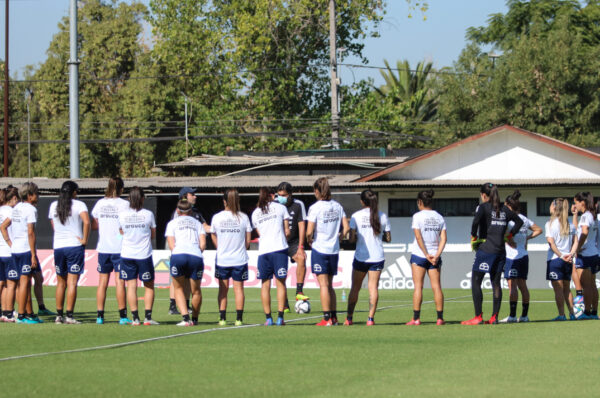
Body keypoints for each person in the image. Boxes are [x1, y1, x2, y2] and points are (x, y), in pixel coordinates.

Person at [462, 183, 523, 325]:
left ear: (484, 195)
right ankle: (494, 317)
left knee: (476, 281)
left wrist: (473, 237)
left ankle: (478, 317)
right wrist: (509, 235)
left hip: (486, 250)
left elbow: (475, 223)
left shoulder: (483, 207)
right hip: (501, 251)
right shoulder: (504, 209)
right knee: (496, 284)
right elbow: (519, 221)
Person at [306, 177, 349, 326]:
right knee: (330, 285)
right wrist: (340, 237)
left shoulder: (315, 207)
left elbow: (309, 231)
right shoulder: (337, 206)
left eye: (314, 190)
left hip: (320, 248)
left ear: (318, 191)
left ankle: (326, 319)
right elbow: (347, 227)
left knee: (323, 285)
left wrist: (309, 239)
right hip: (333, 250)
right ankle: (334, 317)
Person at [344, 189, 390, 326]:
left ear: (362, 201)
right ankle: (370, 319)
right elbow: (388, 238)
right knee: (373, 288)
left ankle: (349, 318)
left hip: (361, 257)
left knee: (355, 288)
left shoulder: (356, 216)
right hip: (377, 257)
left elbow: (351, 239)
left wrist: (354, 237)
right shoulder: (382, 216)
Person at [49, 181, 90, 324]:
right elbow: (87, 222)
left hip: (58, 246)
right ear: (74, 192)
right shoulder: (79, 205)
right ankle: (69, 316)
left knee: (61, 283)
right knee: (72, 282)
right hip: (74, 246)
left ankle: (58, 316)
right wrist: (84, 239)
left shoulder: (54, 205)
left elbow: (53, 223)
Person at [0, 183, 42, 324]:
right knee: (24, 283)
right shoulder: (30, 209)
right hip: (24, 250)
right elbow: (30, 232)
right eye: (36, 193)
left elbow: (3, 226)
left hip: (14, 250)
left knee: (14, 283)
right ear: (30, 196)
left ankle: (17, 313)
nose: (38, 196)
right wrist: (33, 254)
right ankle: (23, 315)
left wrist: (11, 243)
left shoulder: (16, 208)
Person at [92, 177, 131, 325]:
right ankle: (122, 316)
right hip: (119, 249)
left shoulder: (100, 203)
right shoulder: (125, 204)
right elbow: (125, 225)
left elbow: (94, 225)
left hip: (103, 248)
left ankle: (100, 316)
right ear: (121, 189)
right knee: (120, 282)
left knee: (102, 282)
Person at [210, 189, 252, 326]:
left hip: (222, 259)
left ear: (224, 201)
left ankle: (222, 318)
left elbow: (213, 235)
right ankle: (239, 319)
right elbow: (247, 242)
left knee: (223, 289)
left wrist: (220, 247)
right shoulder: (244, 217)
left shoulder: (217, 217)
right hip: (239, 259)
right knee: (239, 289)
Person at [500, 190, 542, 323]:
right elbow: (538, 230)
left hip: (512, 257)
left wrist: (508, 240)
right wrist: (527, 238)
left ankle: (512, 316)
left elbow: (502, 235)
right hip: (524, 255)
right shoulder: (524, 219)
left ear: (508, 205)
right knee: (523, 285)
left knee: (512, 286)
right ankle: (524, 316)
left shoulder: (509, 220)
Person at [405, 189, 446, 326]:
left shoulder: (417, 216)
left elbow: (418, 237)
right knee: (437, 287)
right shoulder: (439, 217)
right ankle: (440, 318)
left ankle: (416, 318)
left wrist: (425, 253)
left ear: (420, 202)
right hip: (435, 256)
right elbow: (444, 239)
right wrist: (436, 255)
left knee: (418, 287)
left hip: (419, 255)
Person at [119, 186, 158, 326]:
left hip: (127, 254)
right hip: (143, 254)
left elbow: (121, 231)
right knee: (148, 286)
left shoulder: (123, 215)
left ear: (129, 199)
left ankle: (135, 318)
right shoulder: (148, 214)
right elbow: (153, 234)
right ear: (142, 199)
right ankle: (148, 317)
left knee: (131, 286)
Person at [252, 187, 291, 326]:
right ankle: (280, 317)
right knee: (281, 283)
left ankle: (268, 318)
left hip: (264, 251)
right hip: (279, 248)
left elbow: (259, 233)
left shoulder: (256, 213)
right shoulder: (281, 208)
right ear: (272, 195)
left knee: (265, 285)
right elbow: (287, 231)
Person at [168, 187, 209, 315]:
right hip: (181, 248)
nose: (195, 196)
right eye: (193, 194)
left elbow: (205, 227)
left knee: (184, 280)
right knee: (178, 280)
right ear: (185, 196)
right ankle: (173, 305)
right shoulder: (178, 213)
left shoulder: (196, 213)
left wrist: (221, 228)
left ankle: (185, 306)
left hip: (189, 251)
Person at [276, 182, 309, 302]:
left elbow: (302, 226)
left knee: (302, 258)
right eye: (279, 195)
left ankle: (299, 291)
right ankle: (284, 303)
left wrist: (301, 246)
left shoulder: (298, 204)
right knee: (280, 271)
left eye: (284, 195)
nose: (281, 198)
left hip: (293, 243)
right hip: (279, 243)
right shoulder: (274, 204)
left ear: (290, 194)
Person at [545, 198, 578, 321]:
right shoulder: (570, 223)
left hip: (556, 260)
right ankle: (572, 314)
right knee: (567, 289)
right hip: (568, 260)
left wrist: (561, 256)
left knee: (558, 290)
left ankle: (561, 315)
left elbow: (551, 244)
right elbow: (576, 242)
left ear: (554, 208)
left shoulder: (550, 224)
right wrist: (571, 254)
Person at [572, 192, 599, 319]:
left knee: (586, 285)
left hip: (585, 255)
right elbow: (580, 229)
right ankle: (594, 312)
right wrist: (575, 215)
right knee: (592, 284)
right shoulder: (593, 216)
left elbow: (584, 232)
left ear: (582, 202)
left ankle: (587, 312)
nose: (575, 205)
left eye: (576, 202)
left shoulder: (586, 216)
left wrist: (577, 248)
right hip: (594, 254)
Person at [0, 187, 19, 322]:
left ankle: (4, 312)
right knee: (11, 284)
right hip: (9, 251)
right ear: (13, 198)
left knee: (3, 283)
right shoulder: (13, 212)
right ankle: (8, 312)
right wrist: (11, 243)